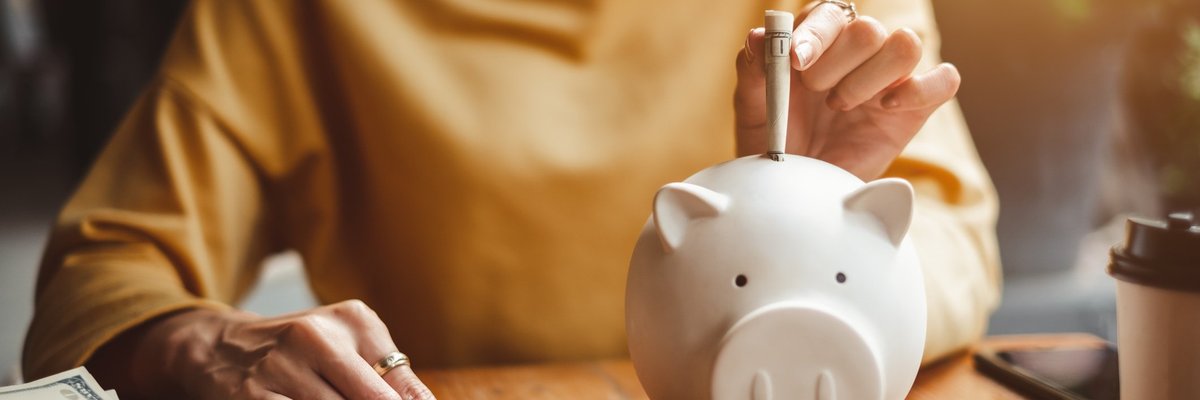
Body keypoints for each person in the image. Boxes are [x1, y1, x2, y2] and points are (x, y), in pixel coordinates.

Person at [23, 0, 1000, 398]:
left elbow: (957, 239)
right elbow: (98, 278)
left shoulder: (819, 18)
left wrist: (824, 209)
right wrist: (207, 342)